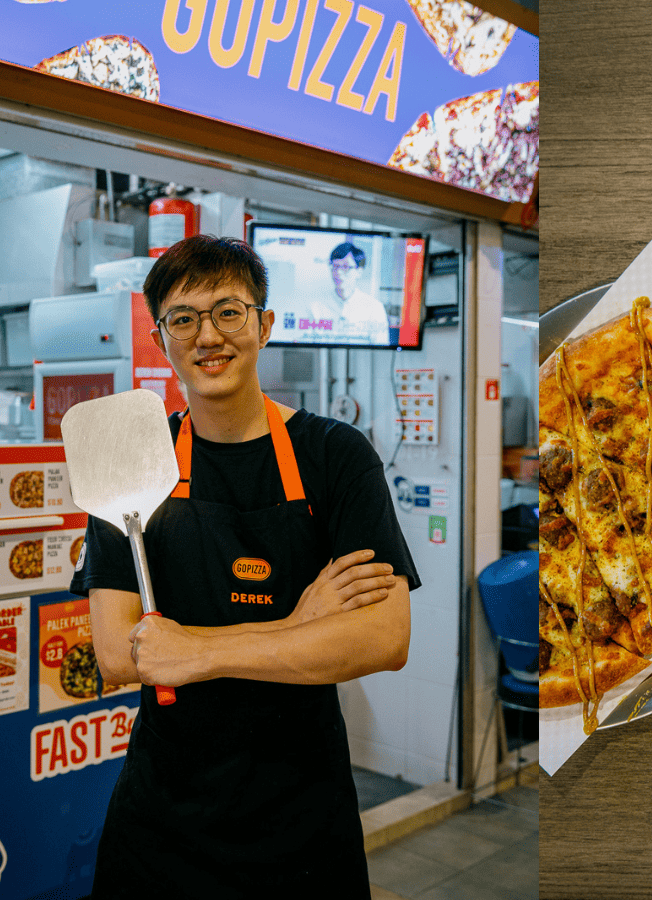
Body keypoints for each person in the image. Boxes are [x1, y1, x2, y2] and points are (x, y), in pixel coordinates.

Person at [69, 234, 417, 898]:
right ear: (160, 339)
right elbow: (118, 655)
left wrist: (192, 650)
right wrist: (301, 625)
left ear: (265, 325)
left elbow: (384, 638)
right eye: (184, 318)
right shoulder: (131, 458)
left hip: (303, 820)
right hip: (163, 823)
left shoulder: (335, 457)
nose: (209, 335)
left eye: (229, 311)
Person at [312, 241, 390, 345]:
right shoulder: (316, 307)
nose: (338, 272)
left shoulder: (374, 308)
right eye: (335, 266)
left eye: (345, 267)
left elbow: (381, 348)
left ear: (359, 272)